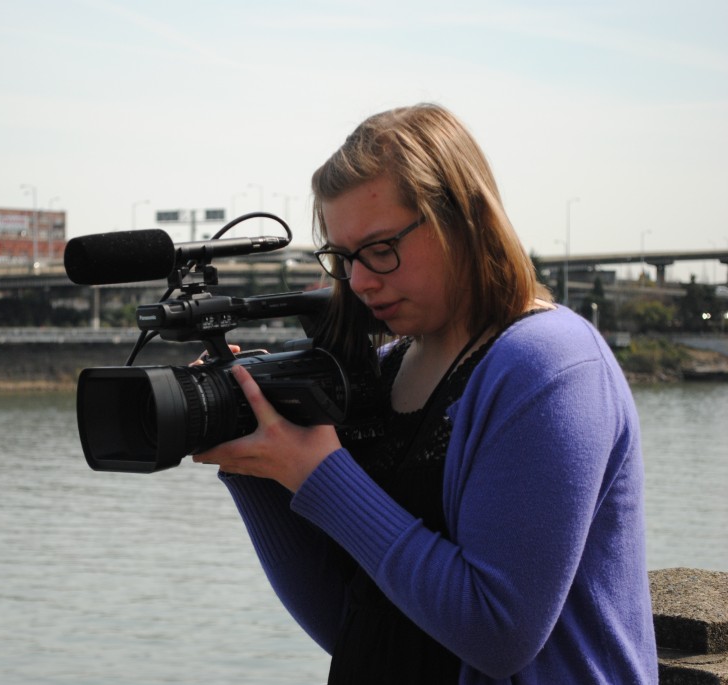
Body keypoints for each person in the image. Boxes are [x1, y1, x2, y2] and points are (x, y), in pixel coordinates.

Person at [193, 103, 658, 683]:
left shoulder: (550, 364)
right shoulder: (387, 369)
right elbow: (353, 621)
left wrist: (321, 477)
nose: (360, 280)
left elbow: (499, 633)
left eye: (382, 248)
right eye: (343, 257)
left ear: (463, 221)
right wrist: (258, 467)